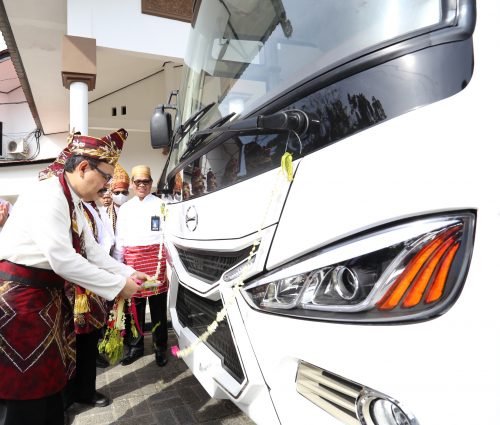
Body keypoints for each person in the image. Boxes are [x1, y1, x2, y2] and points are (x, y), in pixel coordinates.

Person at [0, 129, 148, 425]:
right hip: (22, 303)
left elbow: (91, 251)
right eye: (105, 177)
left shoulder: (73, 201)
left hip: (45, 300)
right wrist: (119, 286)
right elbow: (64, 260)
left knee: (49, 378)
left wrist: (128, 272)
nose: (107, 185)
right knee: (25, 386)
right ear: (83, 168)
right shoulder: (48, 195)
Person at [113, 165, 169, 367]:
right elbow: (120, 238)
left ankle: (160, 347)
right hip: (133, 263)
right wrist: (119, 264)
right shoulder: (126, 208)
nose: (142, 185)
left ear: (151, 183)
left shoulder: (161, 204)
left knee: (157, 308)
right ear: (132, 184)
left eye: (146, 182)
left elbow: (167, 235)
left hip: (155, 262)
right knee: (134, 308)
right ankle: (135, 347)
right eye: (138, 182)